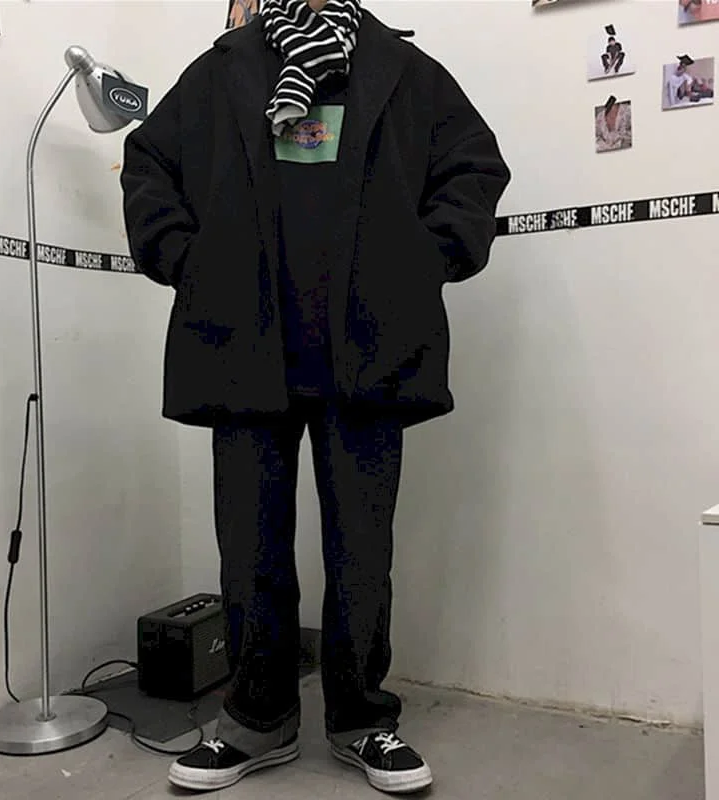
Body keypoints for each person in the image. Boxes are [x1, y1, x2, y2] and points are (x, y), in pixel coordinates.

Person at [121, 0, 510, 793]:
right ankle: (255, 720)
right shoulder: (223, 70)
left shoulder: (405, 74)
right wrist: (187, 259)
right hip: (244, 343)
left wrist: (425, 256)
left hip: (369, 343)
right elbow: (148, 161)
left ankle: (363, 719)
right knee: (249, 553)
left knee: (362, 553)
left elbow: (474, 164)